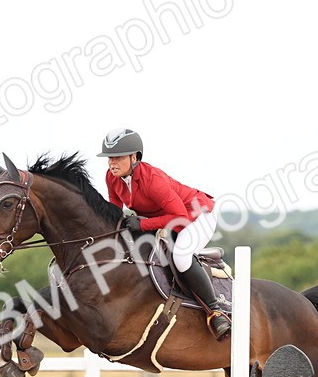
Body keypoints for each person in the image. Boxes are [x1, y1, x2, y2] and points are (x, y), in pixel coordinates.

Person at [97, 128, 231, 341]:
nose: (112, 163)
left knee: (181, 256)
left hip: (196, 215)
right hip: (169, 220)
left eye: (118, 157)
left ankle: (216, 312)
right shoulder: (112, 178)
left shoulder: (153, 180)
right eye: (109, 158)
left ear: (135, 157)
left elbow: (179, 216)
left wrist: (142, 225)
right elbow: (114, 209)